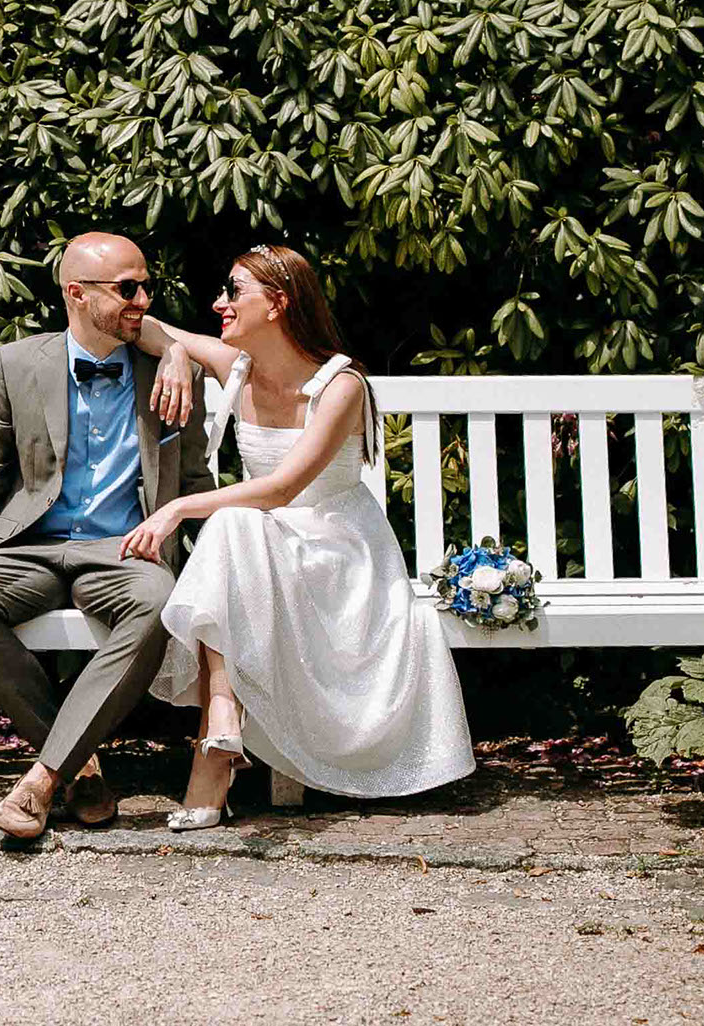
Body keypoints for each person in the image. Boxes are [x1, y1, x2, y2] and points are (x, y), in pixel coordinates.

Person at [0, 233, 212, 840]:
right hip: (31, 545)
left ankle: (43, 779)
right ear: (77, 293)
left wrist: (218, 567)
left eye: (147, 286)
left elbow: (199, 479)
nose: (143, 300)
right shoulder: (16, 365)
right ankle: (82, 765)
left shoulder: (171, 370)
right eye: (128, 288)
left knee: (158, 607)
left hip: (125, 548)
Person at [127, 245, 474, 829]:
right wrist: (178, 352)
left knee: (234, 522)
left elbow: (284, 489)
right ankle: (222, 722)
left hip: (338, 555)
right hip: (264, 544)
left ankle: (213, 756)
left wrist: (180, 508)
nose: (220, 303)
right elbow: (147, 328)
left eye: (235, 292)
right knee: (237, 525)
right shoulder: (234, 365)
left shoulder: (341, 385)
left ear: (279, 304)